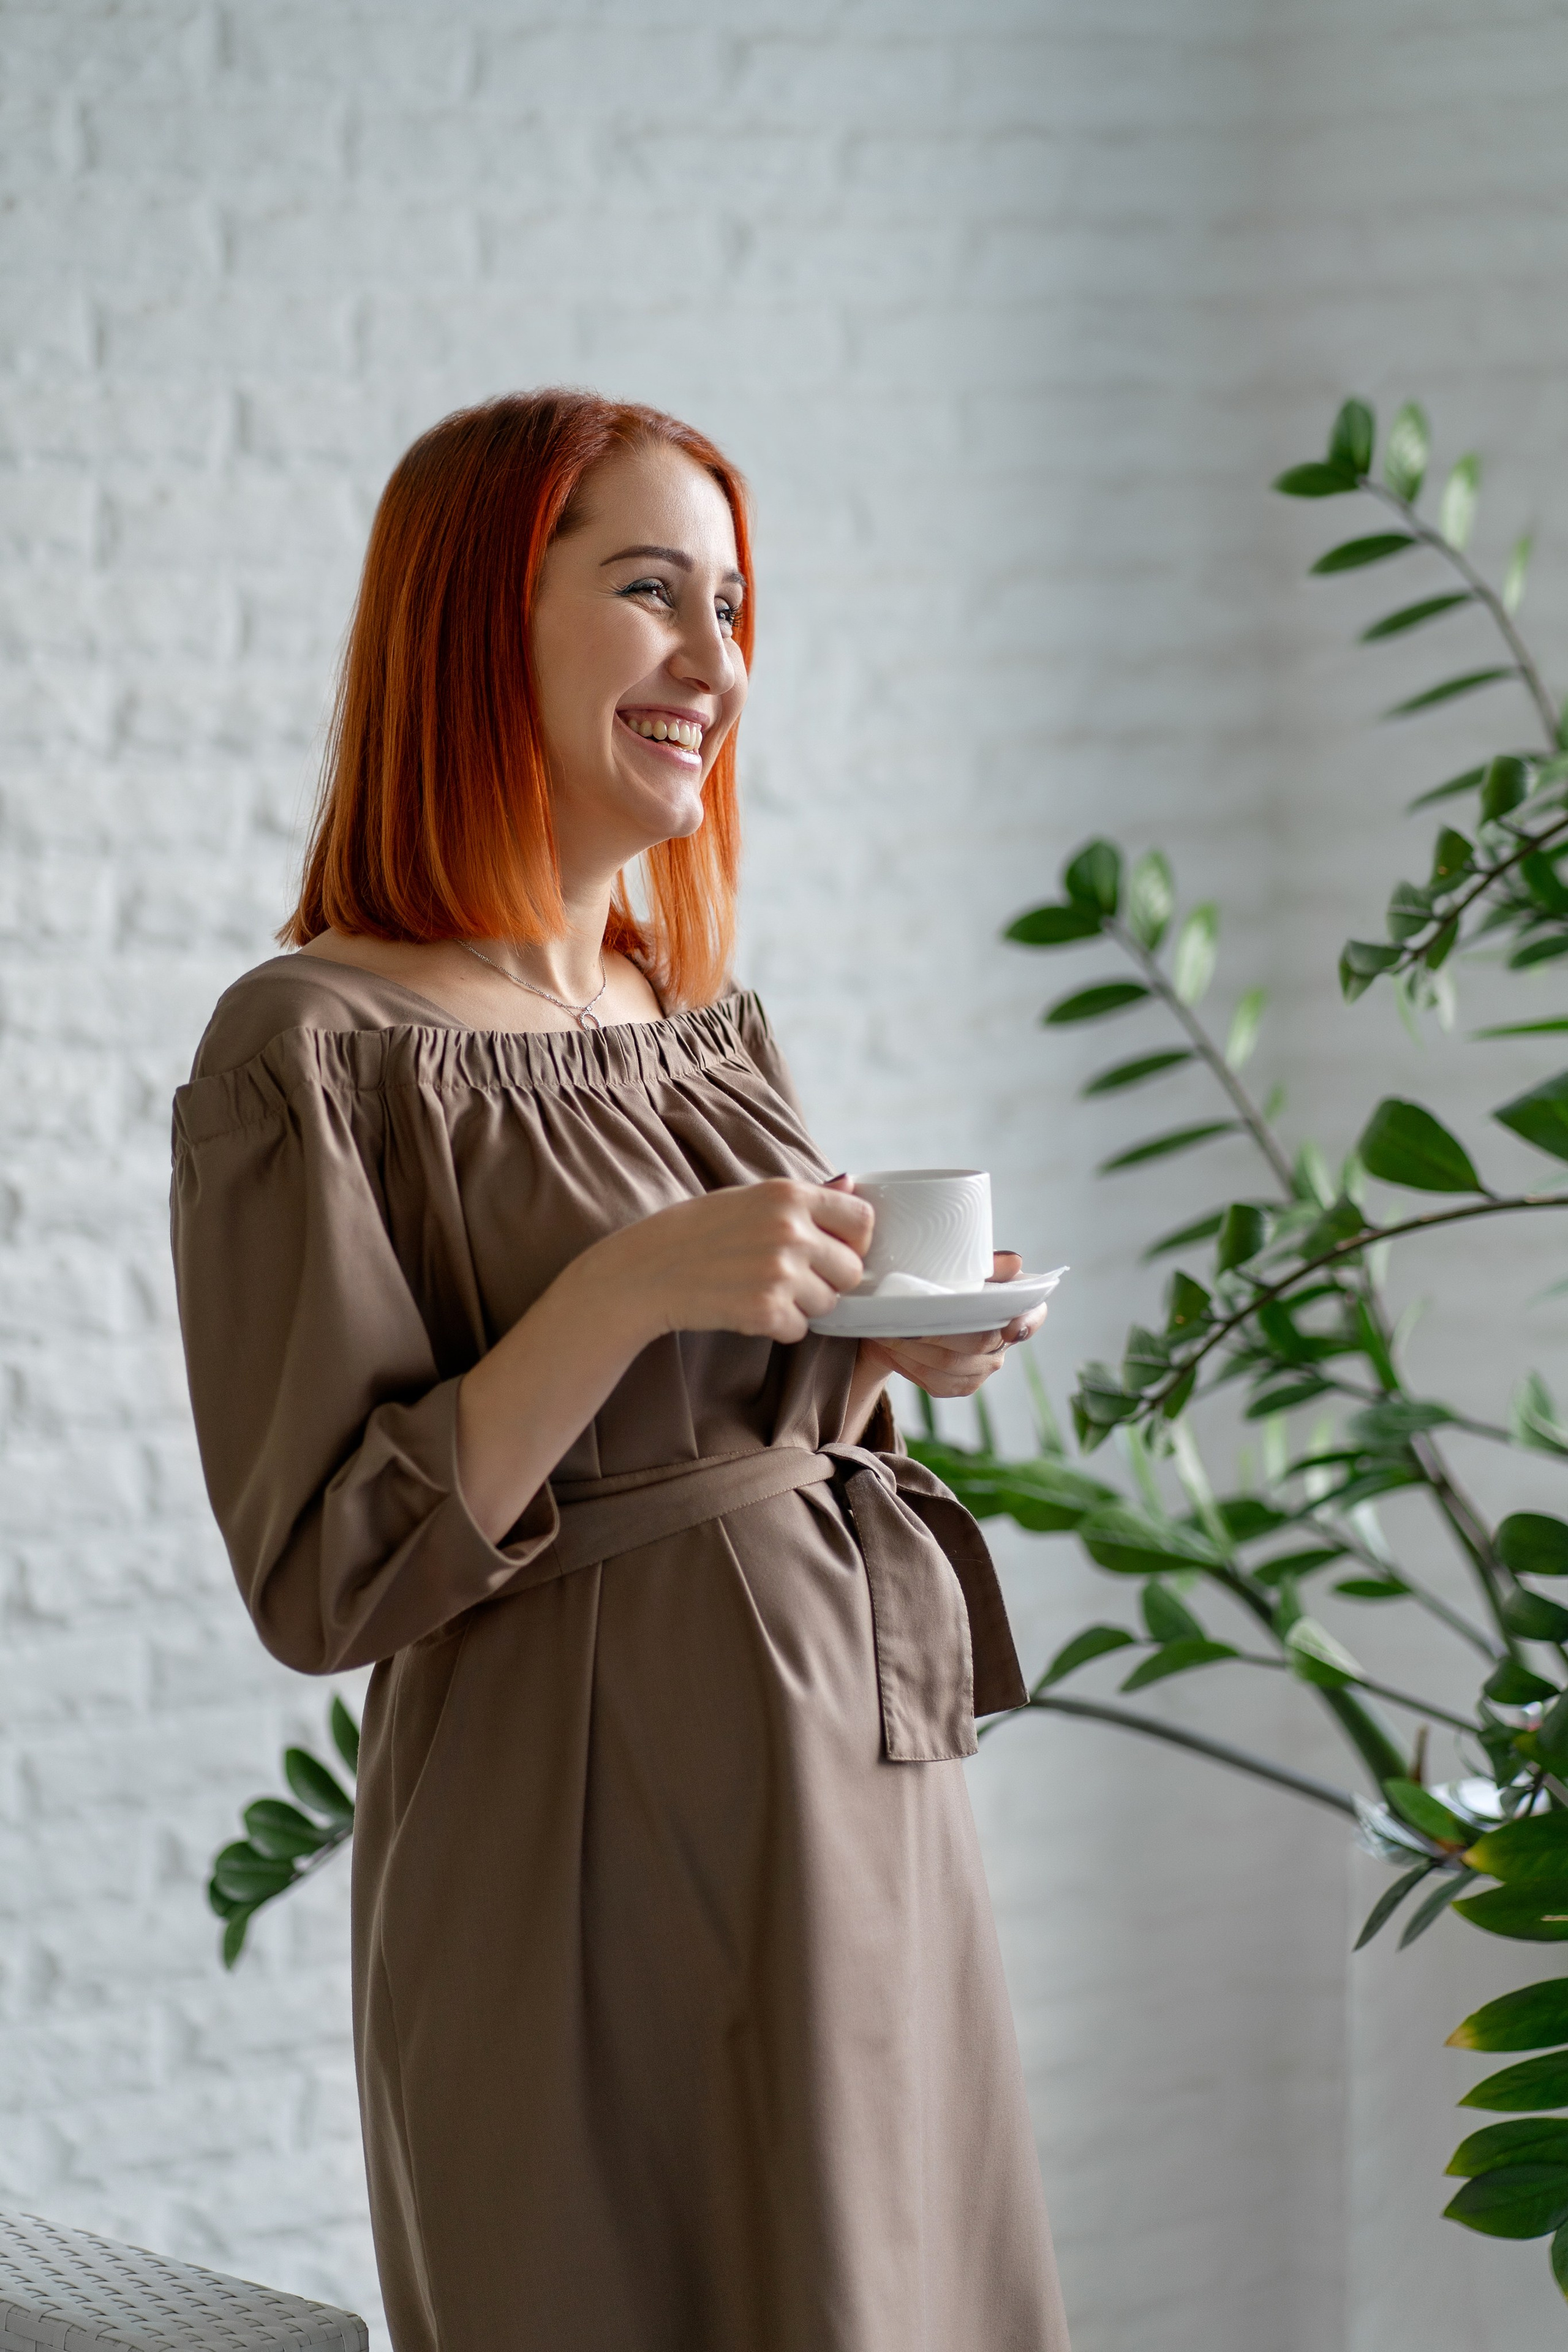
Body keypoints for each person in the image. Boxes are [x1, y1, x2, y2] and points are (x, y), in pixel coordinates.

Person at [170, 390, 1069, 2351]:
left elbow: (741, 1389)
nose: (715, 662)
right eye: (650, 592)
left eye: (732, 604)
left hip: (855, 1781)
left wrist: (892, 1352)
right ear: (481, 621)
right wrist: (629, 1290)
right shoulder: (310, 1044)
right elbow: (325, 1573)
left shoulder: (690, 1007)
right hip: (575, 1846)